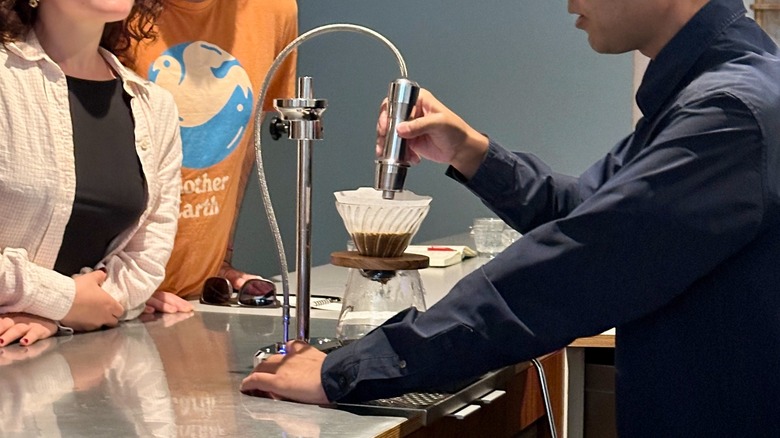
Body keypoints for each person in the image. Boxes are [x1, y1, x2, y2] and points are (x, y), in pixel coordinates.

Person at [240, 0, 780, 435]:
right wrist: (471, 153)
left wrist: (347, 370)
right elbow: (590, 212)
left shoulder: (731, 112)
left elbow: (576, 268)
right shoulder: (715, 91)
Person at [0, 0, 182, 346]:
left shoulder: (155, 107)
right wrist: (61, 299)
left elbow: (146, 259)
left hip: (75, 358)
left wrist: (65, 313)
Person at [129, 0, 298, 308]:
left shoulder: (273, 10)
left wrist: (221, 256)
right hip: (105, 293)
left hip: (193, 298)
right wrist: (119, 287)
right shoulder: (111, 9)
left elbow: (243, 147)